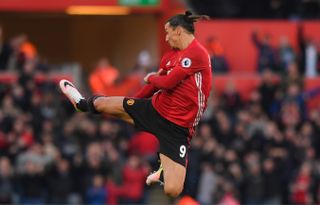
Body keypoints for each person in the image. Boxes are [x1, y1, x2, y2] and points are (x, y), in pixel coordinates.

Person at [59, 10, 211, 197]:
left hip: (178, 128)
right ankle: (81, 103)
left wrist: (152, 78)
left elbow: (167, 82)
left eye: (167, 32)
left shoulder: (198, 54)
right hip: (156, 109)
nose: (166, 38)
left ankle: (162, 168)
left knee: (172, 190)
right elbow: (154, 87)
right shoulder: (169, 57)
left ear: (178, 31)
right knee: (105, 104)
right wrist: (134, 104)